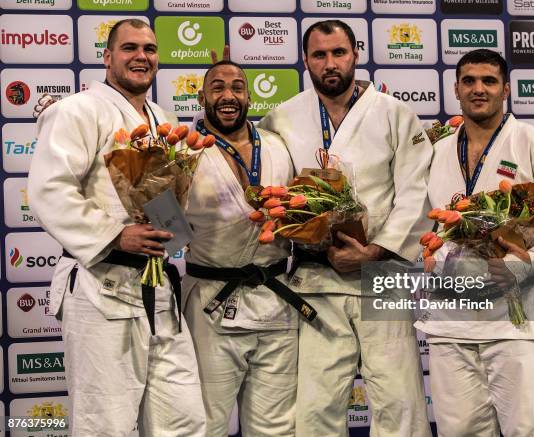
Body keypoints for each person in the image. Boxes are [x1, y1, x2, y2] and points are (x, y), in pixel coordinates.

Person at [27, 19, 206, 436]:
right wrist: (114, 234)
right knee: (104, 423)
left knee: (182, 419)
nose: (141, 56)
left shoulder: (162, 117)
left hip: (157, 288)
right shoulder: (78, 109)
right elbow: (49, 190)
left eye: (149, 49)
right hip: (101, 285)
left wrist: (170, 229)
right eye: (129, 48)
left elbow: (163, 195)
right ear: (107, 57)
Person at [259, 19, 433, 437]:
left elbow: (417, 191)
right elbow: (271, 189)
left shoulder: (394, 113)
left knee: (400, 402)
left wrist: (375, 251)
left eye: (338, 53)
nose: (330, 63)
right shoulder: (282, 117)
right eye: (319, 55)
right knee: (317, 407)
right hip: (316, 278)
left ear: (355, 53)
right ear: (305, 61)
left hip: (380, 277)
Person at [414, 49, 534, 437]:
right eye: (469, 81)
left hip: (514, 316)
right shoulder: (436, 151)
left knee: (529, 430)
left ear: (506, 89)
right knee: (458, 431)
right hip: (451, 319)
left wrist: (528, 264)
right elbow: (419, 219)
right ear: (456, 89)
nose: (479, 89)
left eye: (489, 81)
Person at [184, 60, 310, 436]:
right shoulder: (182, 153)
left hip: (275, 303)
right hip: (212, 302)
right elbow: (163, 227)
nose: (228, 95)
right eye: (217, 87)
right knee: (207, 422)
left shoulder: (278, 147)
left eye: (237, 87)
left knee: (277, 427)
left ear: (249, 96)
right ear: (202, 96)